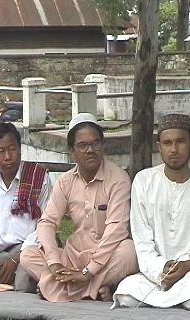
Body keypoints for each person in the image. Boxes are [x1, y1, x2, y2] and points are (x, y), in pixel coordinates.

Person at [20, 113, 138, 302]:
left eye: (95, 143)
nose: (90, 150)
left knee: (129, 251)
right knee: (27, 255)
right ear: (71, 151)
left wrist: (88, 272)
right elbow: (47, 223)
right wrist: (54, 263)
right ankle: (95, 290)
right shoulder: (65, 182)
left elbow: (116, 230)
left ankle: (58, 288)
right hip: (71, 258)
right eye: (83, 146)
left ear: (102, 146)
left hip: (105, 258)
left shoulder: (118, 179)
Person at [112, 113, 190, 310]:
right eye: (167, 143)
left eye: (180, 141)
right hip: (154, 273)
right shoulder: (143, 181)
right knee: (126, 294)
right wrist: (162, 267)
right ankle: (172, 296)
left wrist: (187, 264)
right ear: (159, 146)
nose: (174, 149)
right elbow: (142, 240)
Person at [0, 122, 52, 292]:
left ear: (20, 148)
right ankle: (21, 283)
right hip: (0, 254)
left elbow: (45, 224)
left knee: (24, 279)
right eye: (1, 151)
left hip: (29, 250)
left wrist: (17, 257)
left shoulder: (38, 177)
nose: (8, 156)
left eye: (12, 148)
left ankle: (19, 281)